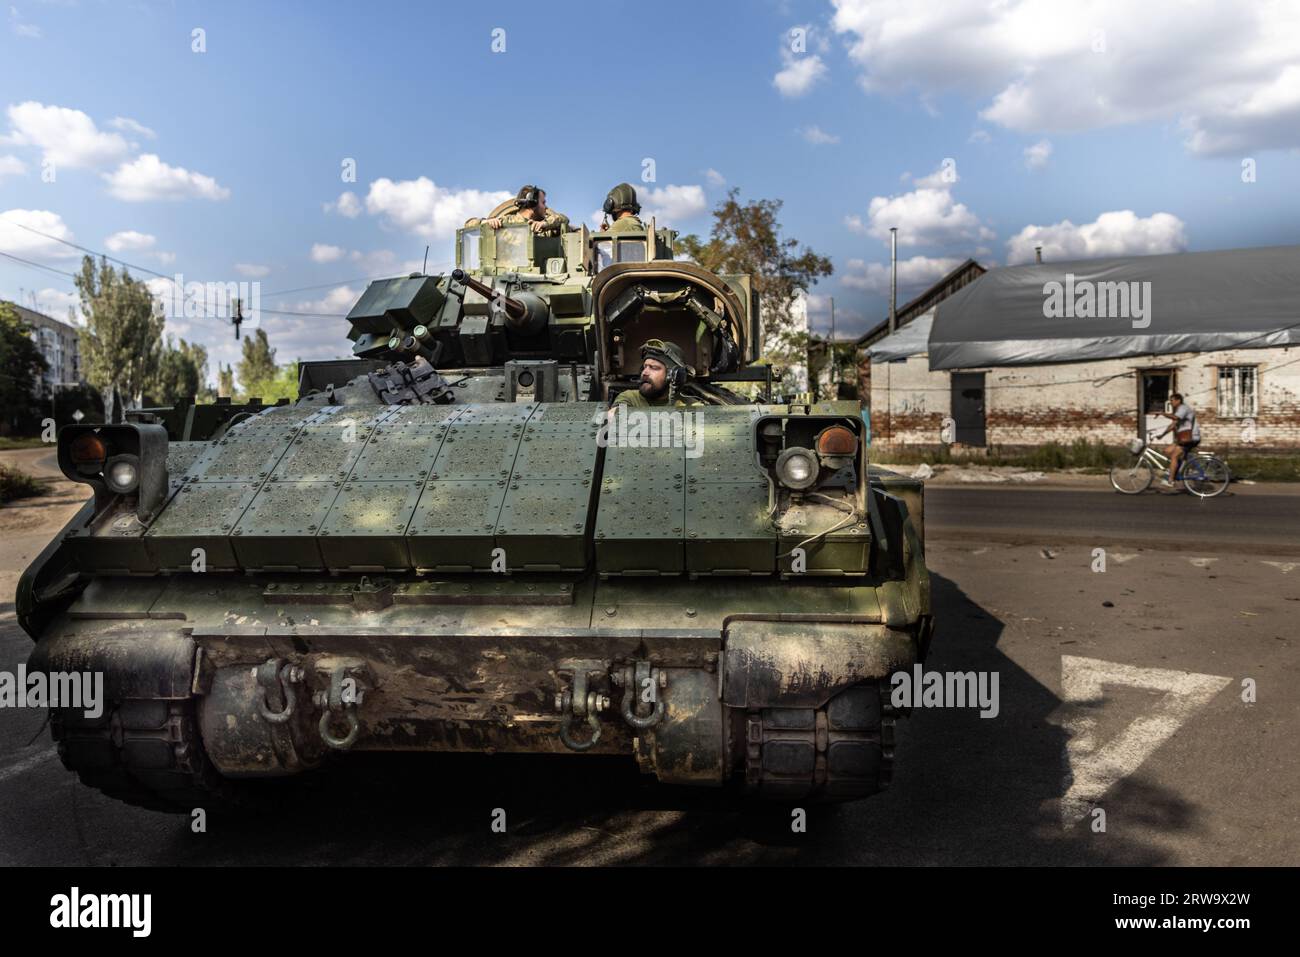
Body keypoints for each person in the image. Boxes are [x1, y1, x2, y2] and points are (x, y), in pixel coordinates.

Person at [612, 338, 700, 407]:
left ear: (673, 375)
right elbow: (617, 416)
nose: (645, 372)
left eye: (654, 368)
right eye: (644, 367)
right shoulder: (630, 398)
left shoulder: (692, 406)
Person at [465, 185, 570, 236]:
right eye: (543, 203)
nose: (546, 207)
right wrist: (486, 222)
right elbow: (468, 225)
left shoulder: (546, 227)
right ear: (532, 204)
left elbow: (564, 219)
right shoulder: (506, 223)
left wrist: (545, 224)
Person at [1157, 392, 1200, 487]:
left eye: (1172, 401)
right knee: (1167, 451)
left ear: (1178, 400)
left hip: (1190, 437)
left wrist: (1162, 413)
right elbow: (1173, 425)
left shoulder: (1183, 408)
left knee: (1174, 456)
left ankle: (1171, 481)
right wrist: (1162, 435)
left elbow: (1175, 417)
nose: (1171, 403)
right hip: (1184, 438)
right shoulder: (1179, 410)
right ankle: (1175, 468)